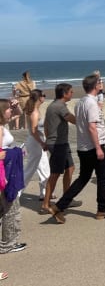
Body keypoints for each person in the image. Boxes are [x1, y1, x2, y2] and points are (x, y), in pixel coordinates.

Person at [49, 74, 105, 223]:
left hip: (83, 147)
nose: (101, 84)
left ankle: (59, 206)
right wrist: (98, 148)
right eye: (100, 82)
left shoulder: (80, 102)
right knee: (104, 178)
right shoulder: (90, 103)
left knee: (83, 178)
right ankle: (103, 210)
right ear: (95, 86)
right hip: (94, 146)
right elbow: (92, 127)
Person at [42, 83, 77, 214]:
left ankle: (66, 199)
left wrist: (47, 140)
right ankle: (46, 204)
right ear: (64, 94)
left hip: (60, 143)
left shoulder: (52, 105)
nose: (72, 93)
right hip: (58, 144)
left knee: (70, 168)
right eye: (71, 92)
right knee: (55, 174)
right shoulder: (59, 106)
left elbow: (46, 125)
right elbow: (73, 120)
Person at [0, 98, 27, 255]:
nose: (11, 111)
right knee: (11, 208)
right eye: (8, 109)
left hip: (6, 171)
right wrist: (10, 153)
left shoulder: (3, 125)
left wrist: (15, 106)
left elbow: (19, 114)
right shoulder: (0, 128)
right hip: (5, 174)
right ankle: (7, 245)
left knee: (4, 208)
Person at [22, 90, 50, 201]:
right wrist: (42, 143)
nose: (45, 97)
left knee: (45, 168)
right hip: (35, 143)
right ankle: (15, 193)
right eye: (44, 95)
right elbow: (34, 131)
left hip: (37, 142)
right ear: (39, 98)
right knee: (30, 170)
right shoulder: (34, 112)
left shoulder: (34, 110)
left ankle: (45, 192)